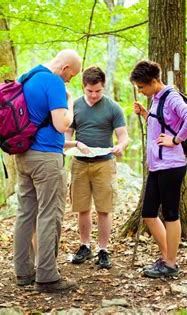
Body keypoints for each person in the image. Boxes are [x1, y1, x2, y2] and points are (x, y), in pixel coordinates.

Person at [13, 49, 82, 293]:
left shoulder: (26, 77)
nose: (68, 81)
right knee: (49, 214)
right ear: (64, 68)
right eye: (70, 76)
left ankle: (23, 272)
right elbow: (61, 123)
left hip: (23, 156)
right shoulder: (53, 81)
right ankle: (47, 277)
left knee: (25, 214)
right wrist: (71, 103)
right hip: (46, 158)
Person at [130, 60, 187, 278]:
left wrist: (175, 140)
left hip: (172, 165)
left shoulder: (171, 97)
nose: (140, 92)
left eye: (141, 87)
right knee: (149, 213)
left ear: (152, 81)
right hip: (158, 166)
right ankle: (167, 257)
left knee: (171, 214)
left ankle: (170, 263)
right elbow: (162, 122)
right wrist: (145, 114)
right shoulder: (157, 99)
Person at [64, 66, 129, 269]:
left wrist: (120, 146)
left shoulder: (112, 107)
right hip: (80, 162)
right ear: (83, 87)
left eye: (98, 91)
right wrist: (75, 145)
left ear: (104, 87)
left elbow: (123, 136)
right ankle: (85, 246)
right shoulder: (74, 106)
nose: (93, 95)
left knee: (104, 208)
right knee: (82, 207)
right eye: (89, 91)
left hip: (104, 163)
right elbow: (66, 136)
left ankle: (103, 249)